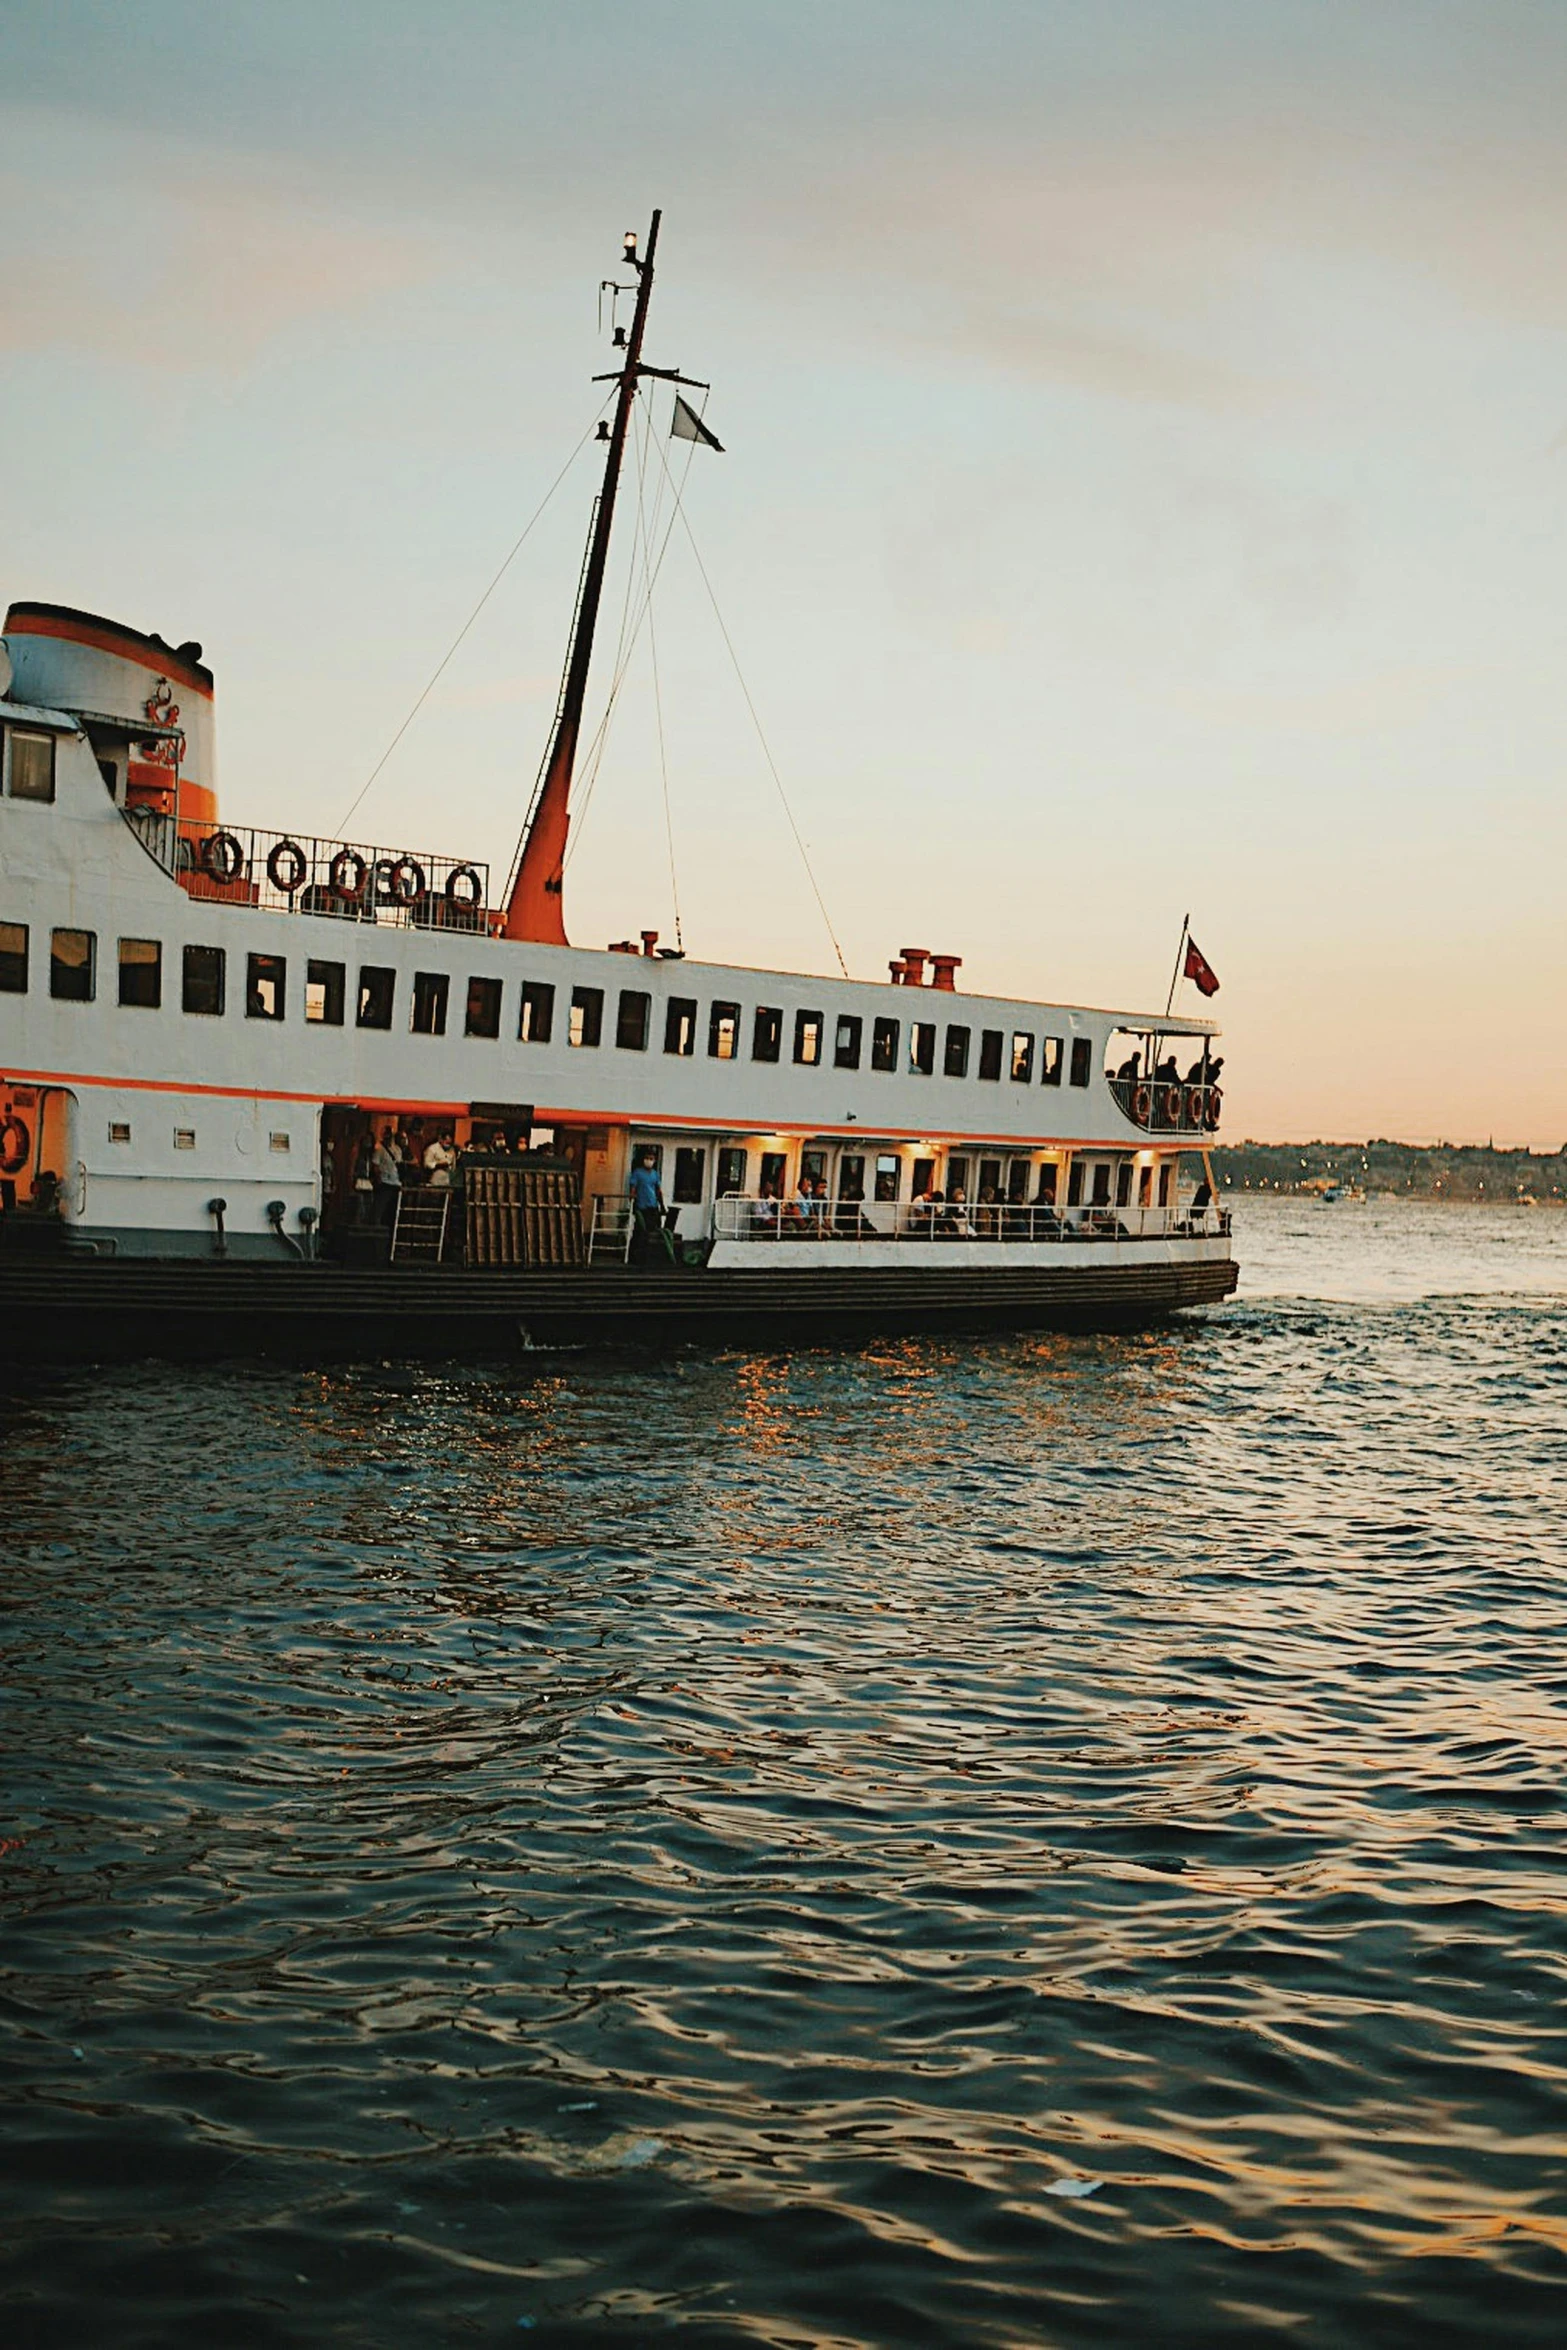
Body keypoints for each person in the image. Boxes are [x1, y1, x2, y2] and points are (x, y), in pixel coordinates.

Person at [628, 1150, 665, 1265]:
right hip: (641, 1206)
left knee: (653, 1231)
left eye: (651, 1158)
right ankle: (633, 1257)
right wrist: (632, 1203)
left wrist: (662, 1205)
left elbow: (658, 1190)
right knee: (639, 1231)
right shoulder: (637, 1173)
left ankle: (649, 1256)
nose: (649, 1160)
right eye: (647, 1158)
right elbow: (633, 1189)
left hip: (653, 1206)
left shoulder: (655, 1174)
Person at [370, 1128, 401, 1226]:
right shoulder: (379, 1149)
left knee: (392, 1207)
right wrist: (378, 1178)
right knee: (381, 1204)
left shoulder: (397, 1149)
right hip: (384, 1181)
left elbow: (399, 1163)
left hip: (396, 1181)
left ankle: (389, 1224)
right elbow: (375, 1165)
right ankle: (377, 1225)